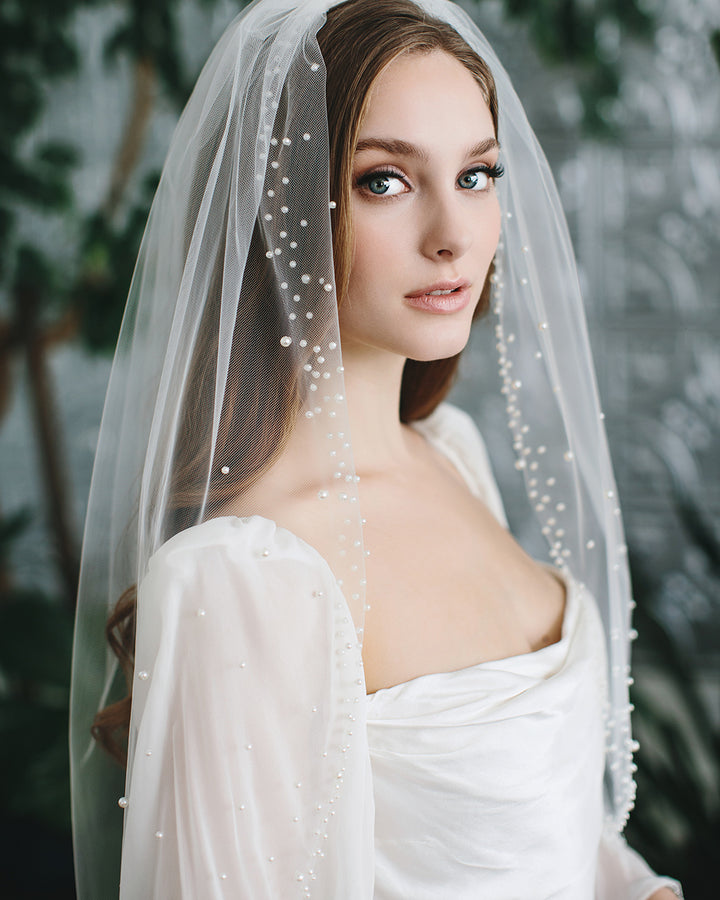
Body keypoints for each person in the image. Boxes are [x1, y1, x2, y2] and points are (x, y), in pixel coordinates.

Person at [69, 1, 683, 897]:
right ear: (275, 212)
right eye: (384, 181)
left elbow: (547, 840)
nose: (452, 234)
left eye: (477, 175)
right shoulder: (245, 577)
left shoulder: (453, 453)